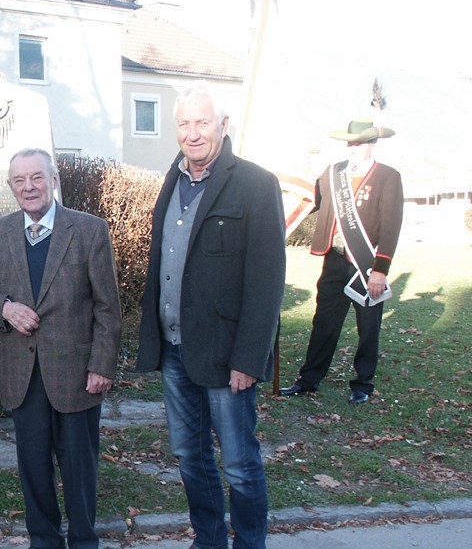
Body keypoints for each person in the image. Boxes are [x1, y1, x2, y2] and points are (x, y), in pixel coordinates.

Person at [136, 87, 285, 549]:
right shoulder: (172, 179)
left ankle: (249, 544)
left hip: (226, 357)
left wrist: (249, 357)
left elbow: (266, 280)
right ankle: (209, 540)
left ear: (224, 125)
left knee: (239, 461)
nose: (192, 133)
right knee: (189, 457)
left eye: (202, 123)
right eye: (184, 124)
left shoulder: (256, 185)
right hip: (176, 350)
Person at [0, 148, 122, 549]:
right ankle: (44, 540)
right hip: (22, 374)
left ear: (54, 180)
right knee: (33, 468)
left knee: (79, 468)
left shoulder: (88, 229)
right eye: (19, 180)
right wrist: (4, 308)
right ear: (11, 187)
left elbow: (108, 306)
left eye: (37, 177)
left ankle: (84, 540)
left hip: (77, 374)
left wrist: (101, 365)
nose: (29, 187)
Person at [280, 120, 403, 405]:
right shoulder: (332, 173)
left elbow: (391, 226)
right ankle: (309, 379)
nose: (353, 148)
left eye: (359, 142)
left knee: (368, 327)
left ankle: (362, 383)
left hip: (366, 264)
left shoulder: (388, 176)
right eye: (350, 142)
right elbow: (313, 203)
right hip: (334, 261)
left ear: (372, 144)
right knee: (323, 323)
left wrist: (380, 271)